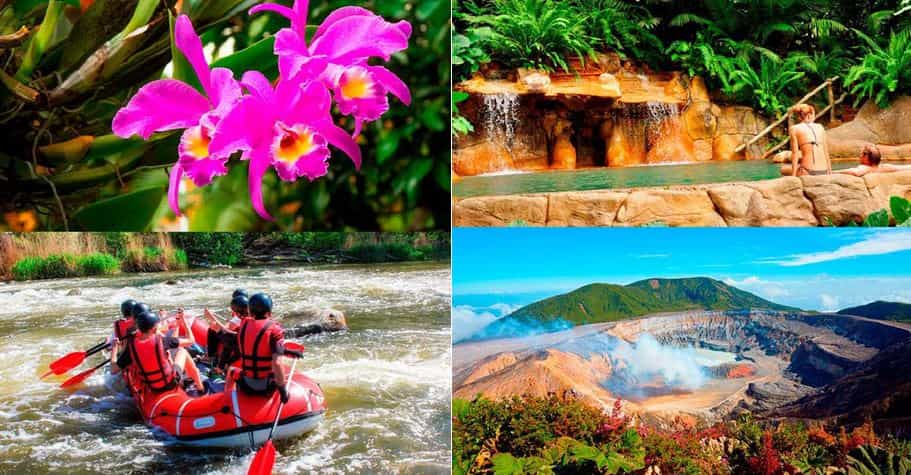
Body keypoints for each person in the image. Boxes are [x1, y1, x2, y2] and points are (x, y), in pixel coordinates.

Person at [110, 310, 206, 394]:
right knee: (182, 351)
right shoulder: (163, 341)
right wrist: (184, 321)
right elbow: (191, 340)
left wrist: (114, 349)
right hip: (169, 383)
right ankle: (200, 387)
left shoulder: (132, 347)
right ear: (155, 329)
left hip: (151, 387)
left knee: (169, 354)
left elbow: (113, 370)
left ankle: (190, 384)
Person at [233, 292, 302, 402]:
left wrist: (288, 351)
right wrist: (282, 390)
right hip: (265, 387)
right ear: (269, 311)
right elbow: (277, 363)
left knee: (232, 371)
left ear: (250, 311)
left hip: (246, 384)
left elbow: (259, 346)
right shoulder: (274, 330)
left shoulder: (244, 324)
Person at [202, 294, 248, 373]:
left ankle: (214, 360)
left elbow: (228, 331)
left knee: (224, 338)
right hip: (243, 347)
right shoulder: (249, 317)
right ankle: (224, 365)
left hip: (241, 349)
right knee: (229, 339)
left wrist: (213, 320)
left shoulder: (242, 319)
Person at [789, 104, 831, 176]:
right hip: (824, 170)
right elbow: (826, 152)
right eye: (814, 114)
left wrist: (793, 176)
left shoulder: (794, 129)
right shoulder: (820, 127)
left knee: (784, 169)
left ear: (799, 117)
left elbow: (795, 154)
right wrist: (829, 171)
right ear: (809, 115)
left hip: (808, 171)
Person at [836, 144, 911, 177]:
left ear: (866, 157)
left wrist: (834, 172)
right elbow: (906, 167)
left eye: (862, 153)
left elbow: (856, 172)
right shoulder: (885, 167)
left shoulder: (866, 168)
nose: (860, 156)